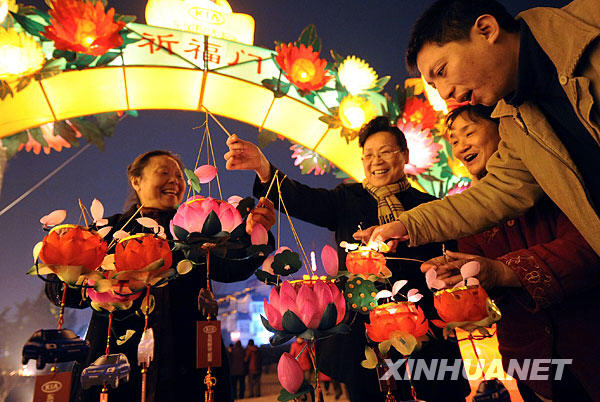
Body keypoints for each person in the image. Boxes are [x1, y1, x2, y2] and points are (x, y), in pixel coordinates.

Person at [225, 117, 471, 401]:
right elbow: (301, 198)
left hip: (425, 336)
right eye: (368, 154)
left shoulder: (431, 208)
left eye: (385, 152)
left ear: (404, 155)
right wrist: (262, 167)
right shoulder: (347, 199)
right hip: (363, 340)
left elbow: (449, 270)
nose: (375, 160)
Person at [355, 0, 600, 256]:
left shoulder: (590, 26)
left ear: (486, 29)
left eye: (442, 70)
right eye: (434, 85)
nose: (445, 92)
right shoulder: (517, 121)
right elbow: (497, 192)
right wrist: (408, 224)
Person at [45, 150, 276, 402]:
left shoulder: (195, 233)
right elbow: (63, 293)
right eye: (163, 173)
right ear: (136, 181)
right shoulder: (107, 233)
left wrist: (255, 234)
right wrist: (68, 270)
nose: (174, 181)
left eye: (178, 175)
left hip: (187, 360)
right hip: (116, 363)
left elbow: (232, 269)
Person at [420, 105, 600, 401]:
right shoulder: (468, 216)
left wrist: (501, 271)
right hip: (530, 364)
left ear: (504, 130)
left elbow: (586, 249)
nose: (461, 145)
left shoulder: (553, 179)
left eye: (469, 132)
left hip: (588, 344)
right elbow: (485, 296)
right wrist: (461, 300)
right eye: (454, 140)